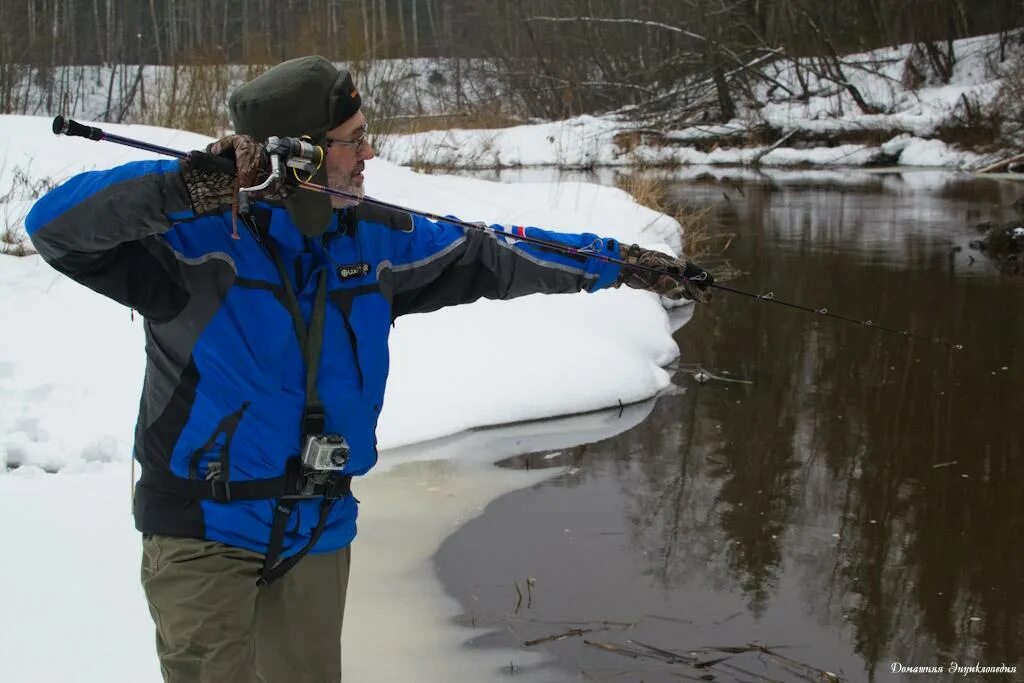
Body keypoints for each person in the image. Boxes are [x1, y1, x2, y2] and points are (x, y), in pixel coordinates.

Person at [26, 56, 712, 682]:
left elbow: (495, 253)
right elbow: (53, 226)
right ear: (297, 156)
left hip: (318, 529)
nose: (369, 153)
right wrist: (183, 185)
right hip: (204, 533)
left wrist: (619, 263)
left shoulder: (378, 240)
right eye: (352, 139)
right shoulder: (191, 245)